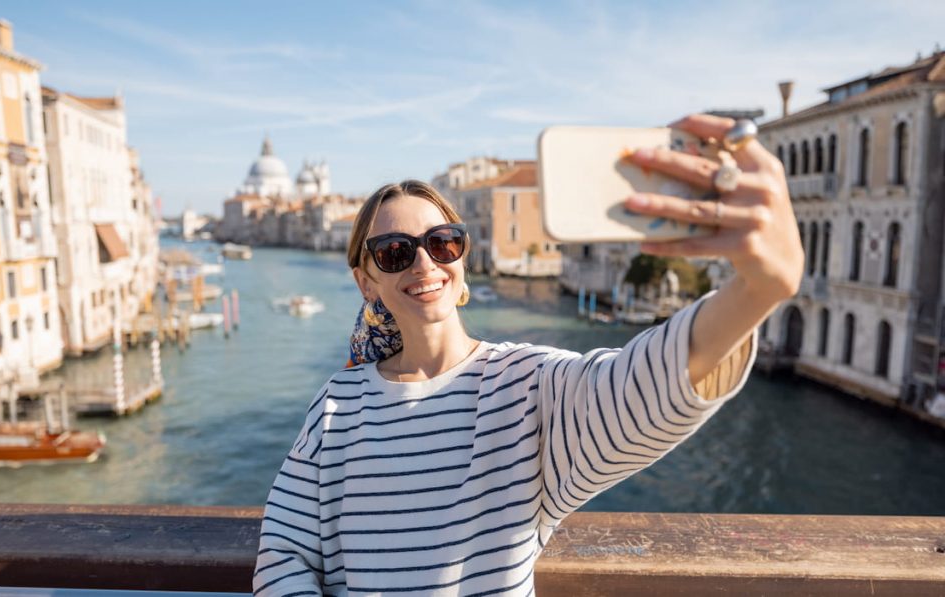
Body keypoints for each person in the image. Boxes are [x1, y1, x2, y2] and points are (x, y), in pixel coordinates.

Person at [253, 114, 803, 595]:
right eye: (395, 253)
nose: (424, 265)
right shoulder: (337, 406)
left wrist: (757, 291)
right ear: (366, 281)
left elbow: (641, 390)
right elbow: (284, 553)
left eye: (442, 242)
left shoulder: (526, 388)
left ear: (462, 258)